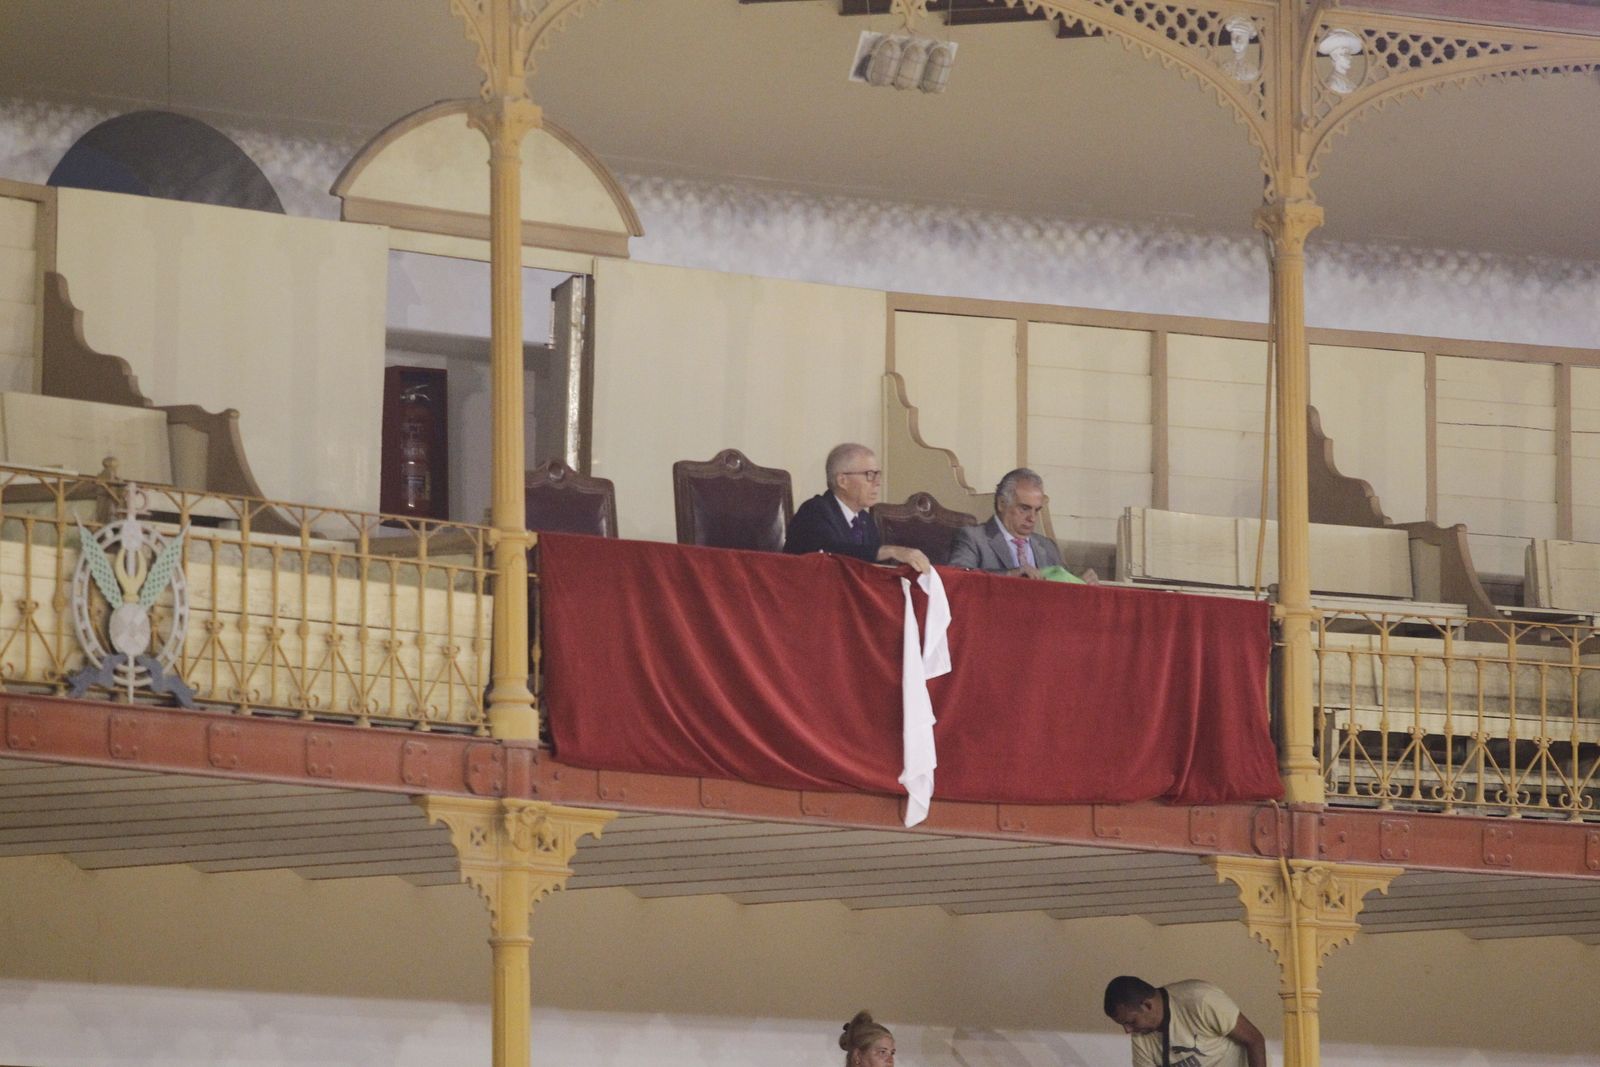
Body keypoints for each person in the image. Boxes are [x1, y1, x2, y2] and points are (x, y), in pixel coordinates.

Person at [785, 443, 930, 573]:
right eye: (870, 475)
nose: (877, 482)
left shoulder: (864, 519)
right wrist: (888, 550)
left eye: (878, 474)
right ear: (843, 480)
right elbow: (831, 554)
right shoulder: (814, 511)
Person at [1103, 976, 1267, 1067]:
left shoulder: (1200, 999)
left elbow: (1255, 1040)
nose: (1128, 1030)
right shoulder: (1141, 1036)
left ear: (1147, 1005)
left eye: (1131, 1021)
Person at [949, 468, 1072, 579]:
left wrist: (1083, 585)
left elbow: (1064, 587)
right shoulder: (973, 538)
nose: (1032, 518)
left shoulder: (1047, 546)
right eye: (1024, 508)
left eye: (1037, 510)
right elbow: (958, 578)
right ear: (1002, 503)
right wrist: (1009, 574)